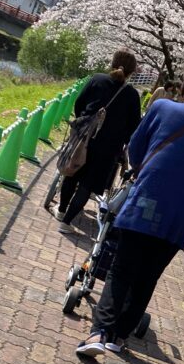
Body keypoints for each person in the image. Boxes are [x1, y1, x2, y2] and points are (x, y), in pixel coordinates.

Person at [77, 61, 184, 357]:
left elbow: (135, 150)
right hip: (182, 216)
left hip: (147, 202)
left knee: (121, 269)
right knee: (147, 277)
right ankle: (119, 337)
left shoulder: (163, 108)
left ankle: (99, 332)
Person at [55, 49, 142, 233]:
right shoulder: (132, 95)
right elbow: (134, 127)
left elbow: (79, 103)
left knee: (72, 173)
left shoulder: (97, 79)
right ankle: (66, 222)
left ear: (112, 63)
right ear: (132, 71)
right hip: (108, 148)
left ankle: (61, 211)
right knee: (87, 185)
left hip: (84, 138)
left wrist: (84, 124)